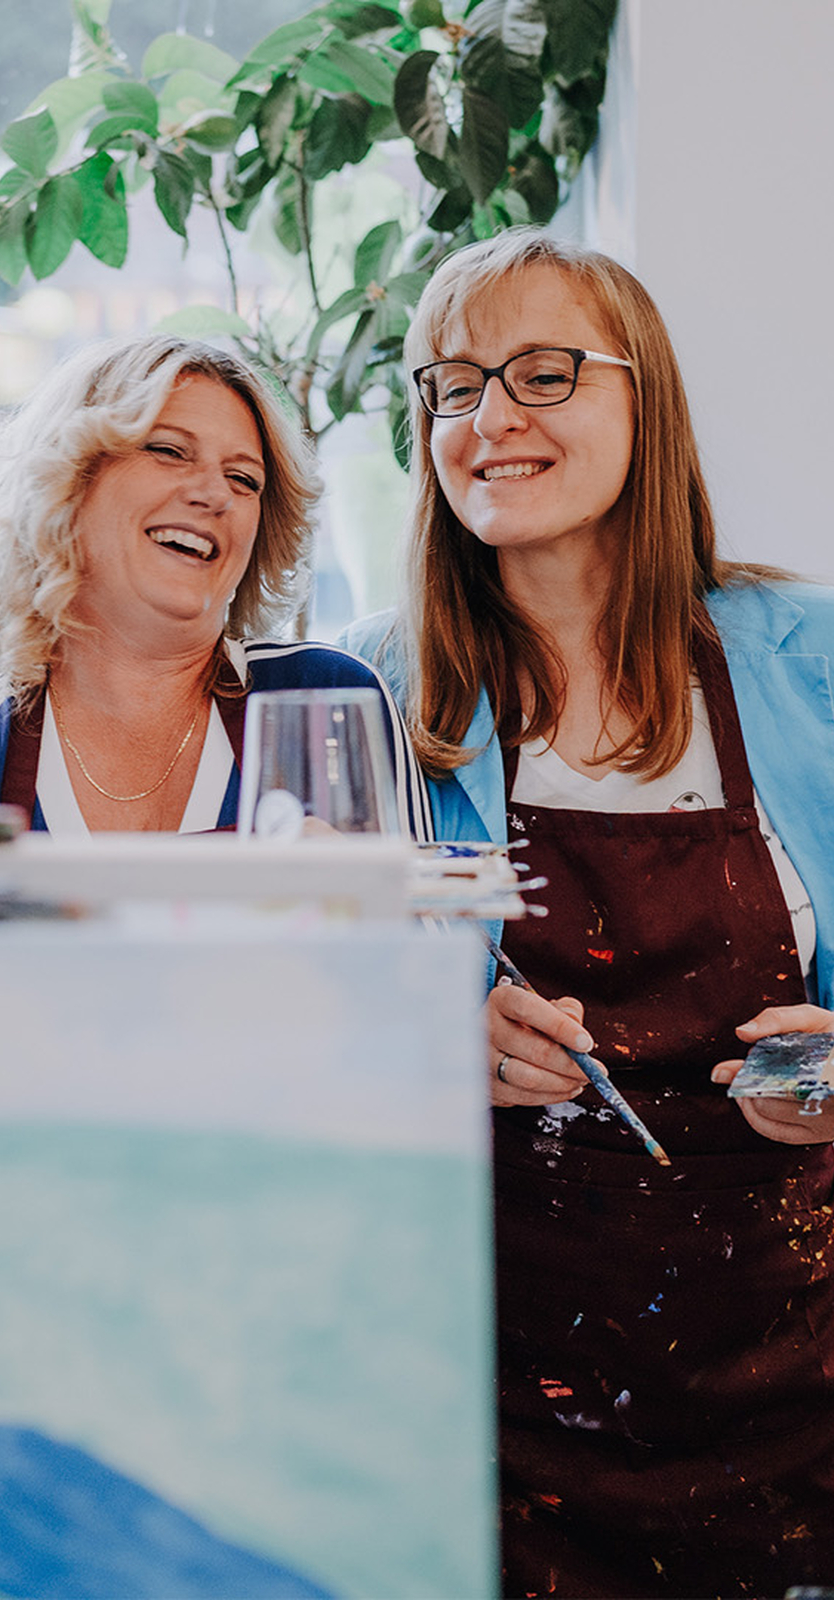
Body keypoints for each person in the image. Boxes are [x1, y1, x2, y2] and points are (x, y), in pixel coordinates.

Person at [341, 229, 834, 1597]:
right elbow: (292, 1033)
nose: (490, 417)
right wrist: (432, 1046)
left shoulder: (811, 660)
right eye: (453, 385)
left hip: (792, 1386)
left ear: (644, 396)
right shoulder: (366, 696)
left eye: (543, 373)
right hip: (483, 1402)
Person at [0, 334, 430, 836]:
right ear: (68, 483)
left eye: (243, 479)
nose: (214, 494)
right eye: (169, 451)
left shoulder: (327, 702)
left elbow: (428, 934)